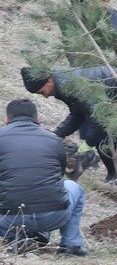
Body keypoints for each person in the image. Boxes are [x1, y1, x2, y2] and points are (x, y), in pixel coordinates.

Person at [21, 63, 117, 198]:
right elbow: (77, 114)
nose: (45, 96)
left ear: (49, 80)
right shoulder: (63, 83)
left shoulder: (68, 84)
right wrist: (56, 135)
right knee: (116, 144)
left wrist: (88, 144)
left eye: (42, 91)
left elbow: (99, 116)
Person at [0, 99, 87, 255]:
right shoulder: (53, 139)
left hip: (10, 219)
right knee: (73, 187)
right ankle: (71, 244)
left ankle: (16, 239)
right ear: (37, 118)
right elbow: (58, 175)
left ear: (7, 118)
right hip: (55, 216)